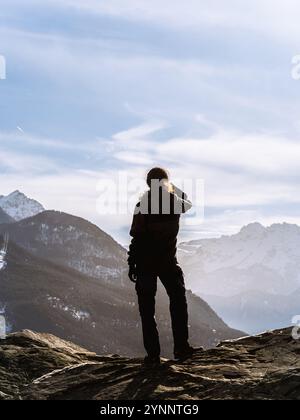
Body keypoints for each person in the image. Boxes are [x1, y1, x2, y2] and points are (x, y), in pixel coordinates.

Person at [128, 167, 196, 366]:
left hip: (145, 264)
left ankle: (153, 356)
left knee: (147, 311)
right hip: (167, 263)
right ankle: (181, 348)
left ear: (149, 183)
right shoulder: (174, 203)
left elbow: (136, 238)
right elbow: (189, 203)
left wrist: (131, 263)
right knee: (178, 302)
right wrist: (170, 185)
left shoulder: (142, 205)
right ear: (166, 182)